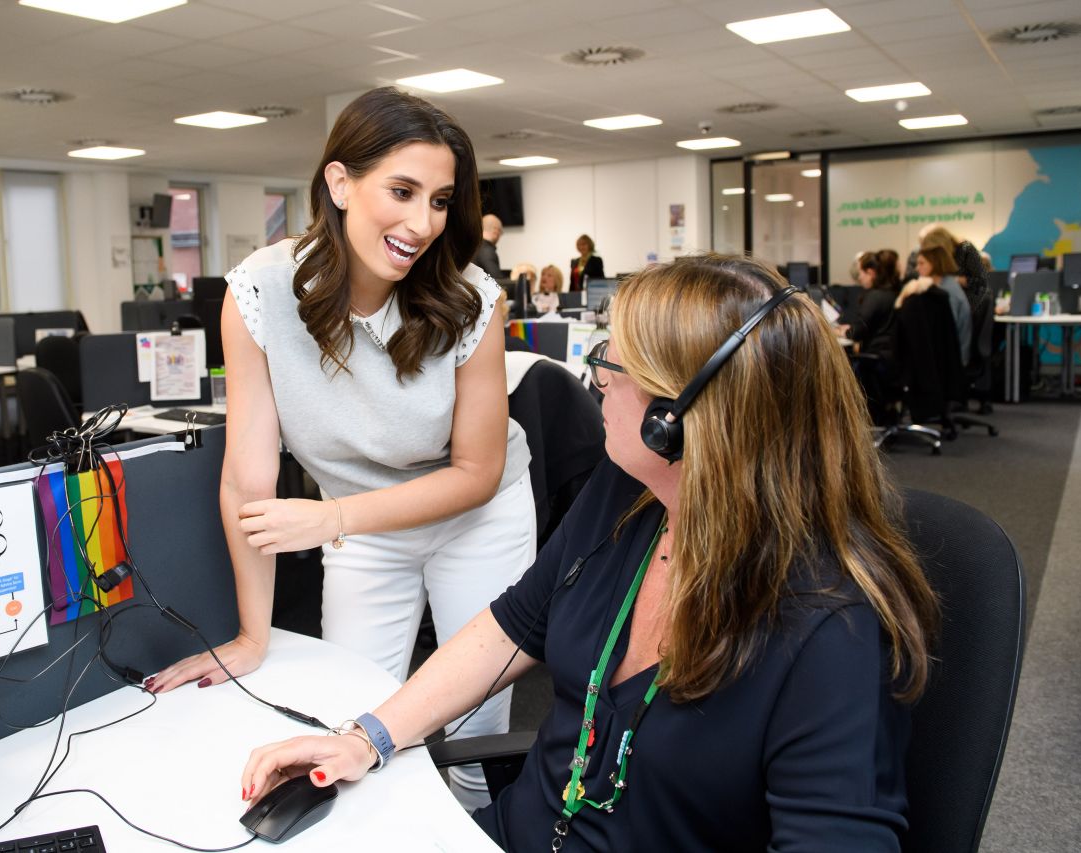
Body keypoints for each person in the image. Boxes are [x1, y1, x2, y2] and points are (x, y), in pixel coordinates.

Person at [240, 253, 940, 851]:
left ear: (679, 418)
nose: (596, 374)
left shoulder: (830, 632)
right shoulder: (627, 496)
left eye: (616, 361)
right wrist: (365, 737)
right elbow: (513, 624)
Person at [148, 87, 535, 812]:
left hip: (473, 518)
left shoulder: (470, 297)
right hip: (364, 529)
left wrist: (332, 520)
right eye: (402, 191)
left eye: (442, 200)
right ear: (339, 182)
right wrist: (251, 634)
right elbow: (247, 483)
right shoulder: (261, 291)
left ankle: (482, 826)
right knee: (353, 708)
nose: (423, 223)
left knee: (474, 731)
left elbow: (477, 473)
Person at [898, 237, 974, 365]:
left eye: (921, 263)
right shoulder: (945, 286)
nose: (917, 268)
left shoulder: (947, 292)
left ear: (934, 264)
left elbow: (945, 336)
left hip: (951, 362)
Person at [841, 251, 898, 359]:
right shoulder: (892, 293)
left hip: (875, 360)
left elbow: (857, 332)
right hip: (889, 358)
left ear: (870, 273)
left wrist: (843, 331)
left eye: (861, 273)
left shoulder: (874, 297)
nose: (859, 278)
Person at [474, 214, 503, 278]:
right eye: (501, 232)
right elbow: (498, 281)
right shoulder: (487, 251)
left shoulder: (473, 247)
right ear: (496, 231)